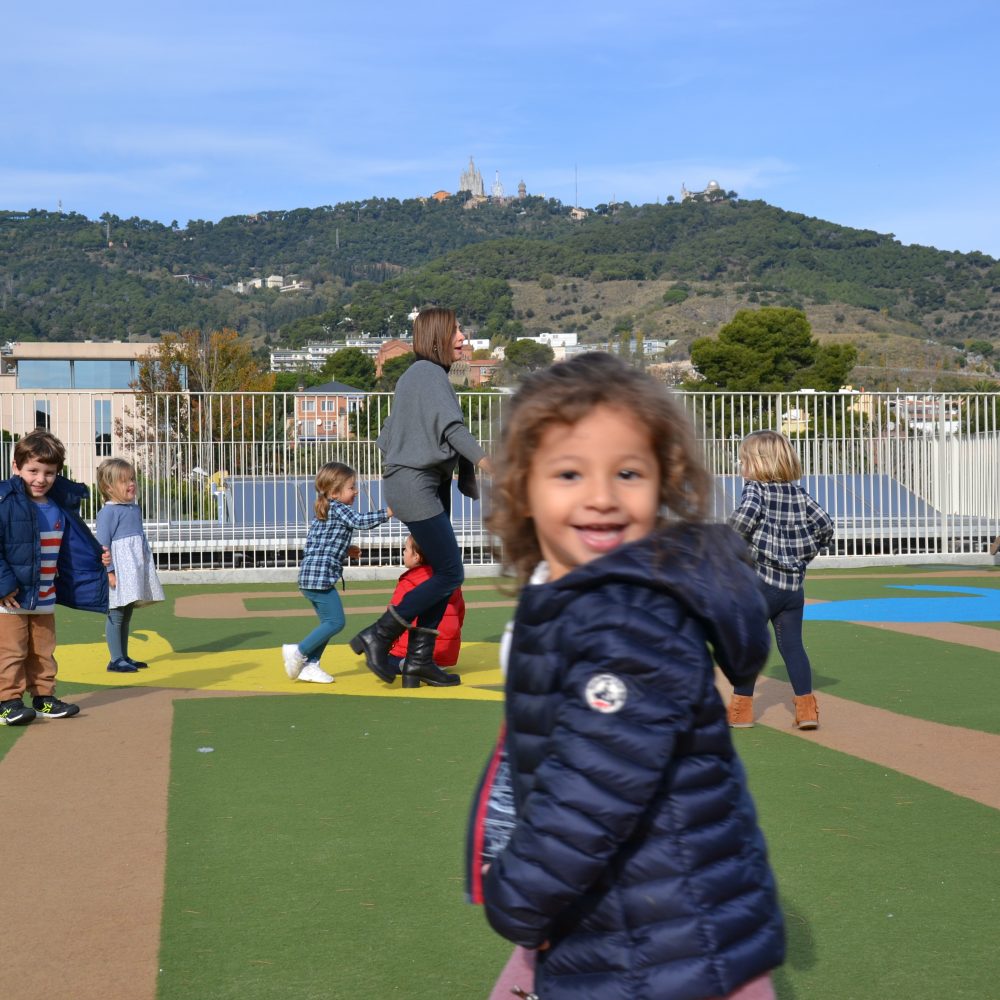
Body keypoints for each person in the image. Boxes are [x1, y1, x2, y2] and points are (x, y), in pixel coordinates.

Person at [468, 353, 784, 1000]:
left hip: (671, 946)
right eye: (569, 473)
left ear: (665, 481)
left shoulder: (629, 618)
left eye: (629, 473)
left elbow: (592, 789)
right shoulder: (566, 593)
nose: (602, 497)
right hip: (630, 919)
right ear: (522, 487)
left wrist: (516, 896)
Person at [350, 306, 490, 688]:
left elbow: (391, 433)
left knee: (440, 573)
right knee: (451, 572)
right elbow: (453, 429)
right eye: (456, 331)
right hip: (416, 483)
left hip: (420, 482)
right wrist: (486, 462)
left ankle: (418, 661)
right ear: (437, 338)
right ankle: (378, 635)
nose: (463, 337)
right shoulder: (427, 374)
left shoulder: (422, 375)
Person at [727, 430, 835, 731]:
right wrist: (803, 554)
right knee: (793, 646)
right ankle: (807, 710)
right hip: (792, 589)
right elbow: (826, 526)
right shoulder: (799, 494)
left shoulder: (755, 490)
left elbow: (744, 519)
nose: (741, 466)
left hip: (760, 584)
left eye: (743, 460)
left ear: (757, 463)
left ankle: (741, 712)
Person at [0, 429, 109, 725]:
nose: (41, 479)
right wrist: (3, 586)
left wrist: (96, 556)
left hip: (44, 595)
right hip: (9, 599)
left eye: (49, 472)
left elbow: (73, 546)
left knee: (43, 651)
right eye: (33, 471)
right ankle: (8, 702)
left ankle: (44, 698)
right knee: (11, 652)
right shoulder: (5, 502)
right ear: (16, 467)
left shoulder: (59, 506)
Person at [283, 462, 392, 684]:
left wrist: (346, 549)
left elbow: (321, 541)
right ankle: (299, 652)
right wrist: (388, 512)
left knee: (328, 623)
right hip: (320, 578)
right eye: (351, 487)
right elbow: (360, 521)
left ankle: (311, 664)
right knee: (336, 622)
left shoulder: (326, 510)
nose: (356, 491)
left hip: (311, 577)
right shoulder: (339, 508)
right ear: (334, 492)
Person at [95, 458, 166, 673]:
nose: (131, 484)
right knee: (116, 613)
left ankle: (123, 656)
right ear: (109, 487)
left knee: (126, 613)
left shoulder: (133, 509)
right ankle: (115, 659)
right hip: (118, 569)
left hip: (133, 567)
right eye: (124, 481)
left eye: (132, 479)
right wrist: (109, 572)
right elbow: (103, 545)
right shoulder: (108, 512)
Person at [386, 534, 465, 686]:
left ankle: (407, 663)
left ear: (416, 556)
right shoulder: (451, 581)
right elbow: (459, 615)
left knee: (383, 660)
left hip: (413, 652)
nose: (403, 552)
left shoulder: (409, 581)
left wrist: (388, 646)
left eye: (405, 549)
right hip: (444, 657)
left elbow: (394, 618)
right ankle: (430, 667)